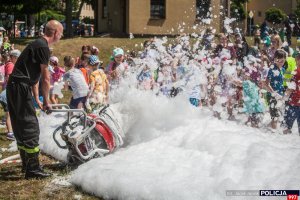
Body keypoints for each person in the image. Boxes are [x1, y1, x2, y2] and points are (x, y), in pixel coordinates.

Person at [6, 20, 63, 179]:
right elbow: (46, 78)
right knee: (30, 126)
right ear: (55, 33)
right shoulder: (43, 47)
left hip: (16, 86)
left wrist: (37, 98)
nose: (62, 36)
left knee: (20, 125)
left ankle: (27, 165)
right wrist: (46, 101)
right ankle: (32, 169)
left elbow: (35, 77)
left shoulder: (37, 44)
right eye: (61, 32)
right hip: (20, 87)